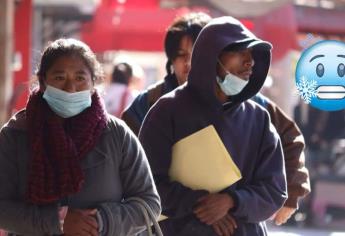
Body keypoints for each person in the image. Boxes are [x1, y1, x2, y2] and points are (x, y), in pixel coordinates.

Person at [139, 16, 287, 236]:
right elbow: (144, 184)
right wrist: (200, 204)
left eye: (252, 55)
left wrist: (231, 201)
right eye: (241, 53)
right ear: (212, 58)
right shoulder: (166, 111)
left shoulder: (259, 118)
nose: (250, 62)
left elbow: (275, 191)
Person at [0, 38, 161, 236]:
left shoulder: (117, 134)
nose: (70, 89)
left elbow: (149, 202)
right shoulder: (16, 135)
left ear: (94, 83)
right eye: (59, 78)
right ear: (42, 82)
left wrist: (101, 221)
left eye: (79, 78)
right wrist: (57, 223)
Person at [121, 12, 212, 135]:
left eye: (196, 54)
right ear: (171, 60)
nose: (189, 62)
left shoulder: (231, 101)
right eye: (181, 54)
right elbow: (123, 150)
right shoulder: (148, 102)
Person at [252, 93, 310, 225]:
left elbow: (292, 142)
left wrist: (291, 193)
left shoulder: (258, 104)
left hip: (246, 209)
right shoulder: (197, 103)